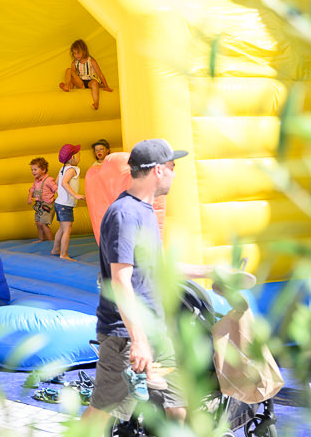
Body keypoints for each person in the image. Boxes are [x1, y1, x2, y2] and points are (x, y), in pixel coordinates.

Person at [80, 139, 208, 430]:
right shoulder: (125, 214)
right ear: (158, 171)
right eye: (173, 167)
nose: (175, 173)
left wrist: (213, 271)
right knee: (102, 412)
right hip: (125, 336)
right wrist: (138, 341)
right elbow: (120, 281)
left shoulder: (145, 210)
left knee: (177, 405)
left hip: (155, 330)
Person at [59, 38, 114, 110]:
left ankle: (96, 102)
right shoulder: (74, 63)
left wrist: (106, 86)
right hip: (81, 83)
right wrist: (71, 89)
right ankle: (67, 86)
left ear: (84, 51)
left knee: (94, 83)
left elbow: (100, 74)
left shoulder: (91, 60)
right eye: (74, 53)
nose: (76, 55)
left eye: (78, 53)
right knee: (69, 70)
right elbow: (73, 77)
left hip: (90, 81)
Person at [54, 143, 84, 261]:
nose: (80, 158)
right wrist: (75, 195)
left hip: (60, 203)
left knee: (62, 228)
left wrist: (60, 194)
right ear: (72, 157)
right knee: (67, 229)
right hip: (65, 205)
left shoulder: (62, 169)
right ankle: (63, 254)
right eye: (79, 155)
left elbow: (57, 182)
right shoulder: (71, 170)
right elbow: (63, 183)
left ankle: (55, 249)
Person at [27, 157, 58, 243]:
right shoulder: (36, 181)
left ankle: (51, 241)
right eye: (32, 169)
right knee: (38, 223)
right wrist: (30, 197)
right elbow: (32, 190)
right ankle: (41, 239)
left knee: (44, 224)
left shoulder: (49, 180)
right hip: (39, 204)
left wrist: (61, 196)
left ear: (43, 170)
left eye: (35, 169)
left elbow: (55, 188)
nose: (33, 171)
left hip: (47, 205)